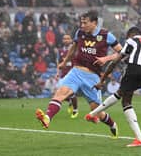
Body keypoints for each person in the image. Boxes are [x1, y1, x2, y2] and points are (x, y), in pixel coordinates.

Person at [35, 10, 122, 138]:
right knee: (60, 93)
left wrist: (106, 59)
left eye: (85, 23)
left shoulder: (106, 35)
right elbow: (73, 48)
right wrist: (65, 62)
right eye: (81, 22)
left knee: (97, 112)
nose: (82, 25)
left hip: (92, 77)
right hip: (75, 72)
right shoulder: (80, 33)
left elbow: (122, 52)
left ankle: (112, 125)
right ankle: (47, 118)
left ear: (94, 23)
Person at [55, 34, 79, 118]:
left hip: (72, 74)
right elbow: (58, 63)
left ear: (71, 40)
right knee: (59, 93)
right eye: (64, 39)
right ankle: (70, 102)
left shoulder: (75, 49)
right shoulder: (60, 51)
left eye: (68, 39)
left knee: (71, 93)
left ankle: (75, 110)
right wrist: (57, 73)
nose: (66, 40)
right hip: (63, 75)